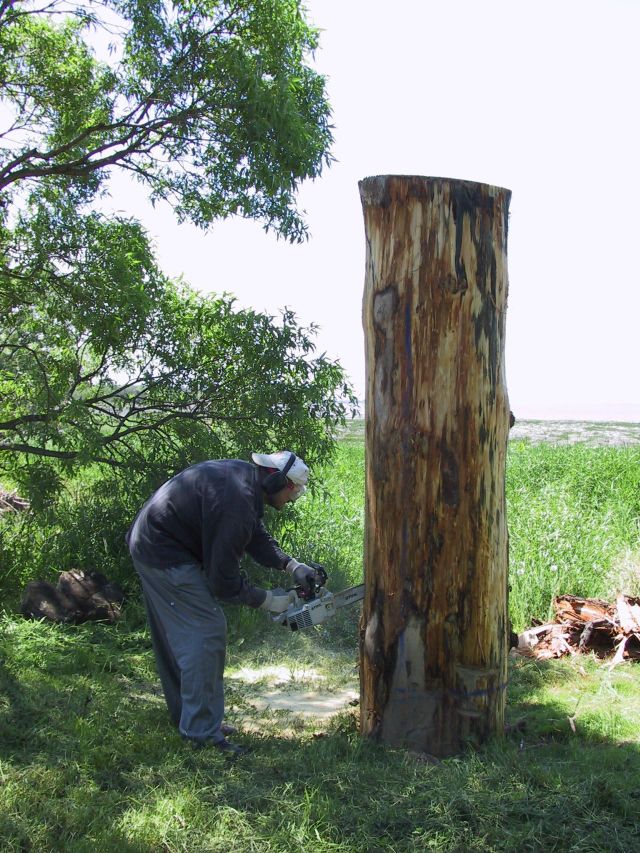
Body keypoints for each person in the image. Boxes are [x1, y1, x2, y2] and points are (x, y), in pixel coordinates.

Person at [126, 450, 318, 755]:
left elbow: (254, 534)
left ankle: (192, 719)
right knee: (207, 631)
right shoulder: (237, 502)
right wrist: (268, 601)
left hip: (151, 542)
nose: (291, 499)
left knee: (182, 636)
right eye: (292, 491)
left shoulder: (244, 482)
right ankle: (202, 733)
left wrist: (292, 565)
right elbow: (222, 582)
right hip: (163, 552)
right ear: (279, 481)